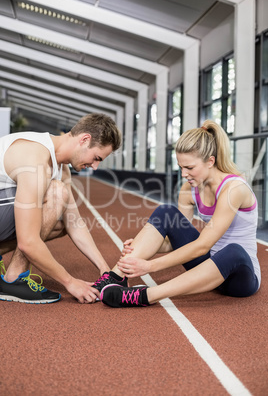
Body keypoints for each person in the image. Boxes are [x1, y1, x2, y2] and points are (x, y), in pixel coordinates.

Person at [95, 120, 261, 307]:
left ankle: (144, 296)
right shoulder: (188, 189)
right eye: (181, 167)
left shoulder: (233, 189)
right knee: (166, 211)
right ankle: (116, 276)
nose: (183, 174)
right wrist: (142, 247)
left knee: (234, 251)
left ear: (210, 161)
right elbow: (173, 242)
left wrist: (150, 266)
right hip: (208, 269)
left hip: (239, 278)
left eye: (189, 168)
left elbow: (202, 246)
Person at [0, 113, 121, 304]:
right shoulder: (35, 158)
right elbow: (27, 241)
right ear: (84, 139)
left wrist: (105, 269)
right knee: (57, 193)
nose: (95, 166)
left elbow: (74, 222)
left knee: (61, 224)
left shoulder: (59, 166)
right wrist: (70, 282)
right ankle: (14, 279)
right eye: (97, 157)